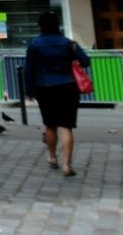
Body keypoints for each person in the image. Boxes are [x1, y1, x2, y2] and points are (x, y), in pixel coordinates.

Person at [24, 11, 90, 177]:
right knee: (66, 126)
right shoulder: (68, 43)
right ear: (57, 25)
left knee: (50, 124)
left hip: (44, 87)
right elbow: (85, 61)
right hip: (68, 86)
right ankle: (67, 165)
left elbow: (29, 69)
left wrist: (29, 90)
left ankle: (53, 157)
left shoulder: (34, 44)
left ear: (40, 26)